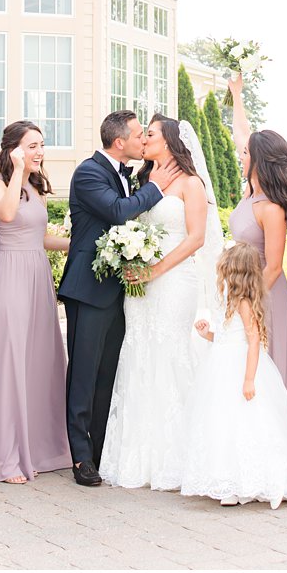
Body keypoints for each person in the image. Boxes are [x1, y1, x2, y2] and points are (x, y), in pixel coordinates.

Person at [98, 114, 220, 492]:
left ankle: (178, 458)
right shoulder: (142, 181)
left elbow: (196, 239)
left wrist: (156, 271)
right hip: (140, 284)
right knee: (138, 354)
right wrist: (131, 262)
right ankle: (138, 456)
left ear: (168, 142)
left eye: (149, 134)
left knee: (169, 353)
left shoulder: (191, 184)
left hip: (173, 281)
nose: (143, 139)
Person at [57, 110, 178, 487]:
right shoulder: (89, 172)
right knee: (83, 374)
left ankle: (99, 451)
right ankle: (79, 458)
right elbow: (117, 211)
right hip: (88, 290)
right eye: (139, 135)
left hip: (119, 291)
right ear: (119, 141)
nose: (143, 141)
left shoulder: (127, 174)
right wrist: (155, 187)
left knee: (108, 373)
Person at [0, 121, 72, 483]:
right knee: (10, 358)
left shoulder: (37, 186)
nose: (39, 152)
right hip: (10, 274)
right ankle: (5, 455)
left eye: (41, 145)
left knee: (39, 359)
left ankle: (41, 447)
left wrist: (76, 245)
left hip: (37, 273)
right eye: (32, 146)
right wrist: (16, 170)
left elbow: (40, 236)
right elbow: (7, 214)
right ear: (13, 149)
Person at [179, 243, 287, 509]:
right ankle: (228, 480)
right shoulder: (227, 300)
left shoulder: (245, 303)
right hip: (221, 366)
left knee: (244, 422)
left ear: (234, 273)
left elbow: (253, 341)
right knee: (222, 422)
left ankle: (244, 481)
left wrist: (249, 379)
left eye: (224, 270)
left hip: (240, 369)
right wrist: (207, 334)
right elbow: (225, 336)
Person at [226, 72, 287, 471]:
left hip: (263, 296)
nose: (240, 155)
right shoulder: (248, 192)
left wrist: (250, 300)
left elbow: (273, 264)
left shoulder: (270, 206)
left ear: (257, 161)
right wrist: (237, 95)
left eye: (245, 154)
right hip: (240, 294)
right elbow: (243, 133)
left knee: (266, 373)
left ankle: (275, 460)